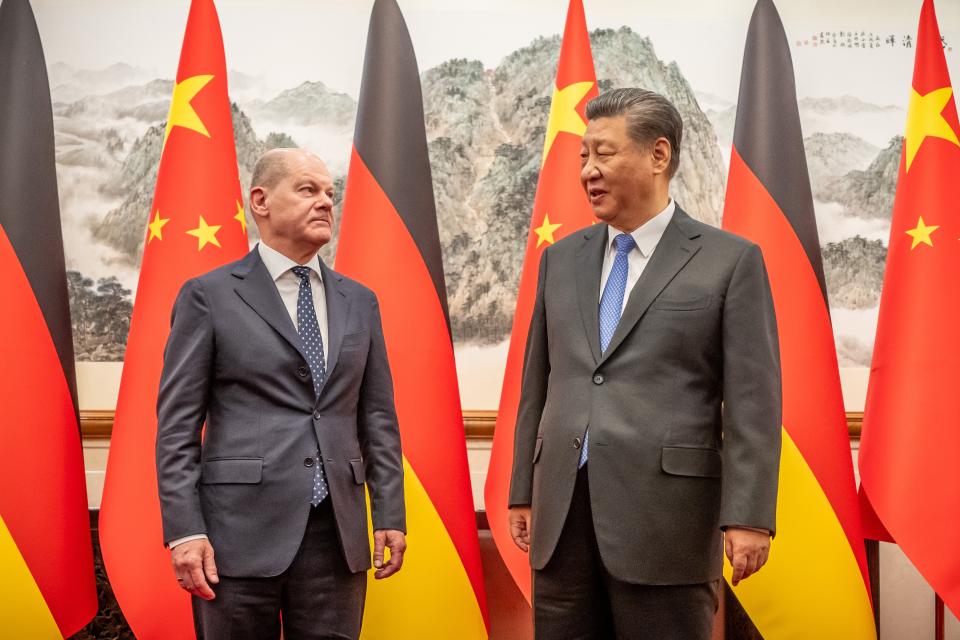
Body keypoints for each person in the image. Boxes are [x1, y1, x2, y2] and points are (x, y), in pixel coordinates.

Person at [508, 88, 782, 639]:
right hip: (562, 515)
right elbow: (538, 383)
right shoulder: (560, 260)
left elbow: (753, 400)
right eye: (583, 156)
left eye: (603, 153)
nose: (588, 170)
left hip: (668, 522)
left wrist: (749, 515)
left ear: (659, 155)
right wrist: (522, 490)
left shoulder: (730, 261)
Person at [156, 148, 406, 640]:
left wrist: (390, 515)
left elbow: (377, 416)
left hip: (337, 535)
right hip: (236, 536)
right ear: (261, 201)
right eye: (308, 190)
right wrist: (185, 530)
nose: (325, 203)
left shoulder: (360, 300)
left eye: (331, 194)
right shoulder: (209, 295)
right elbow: (177, 425)